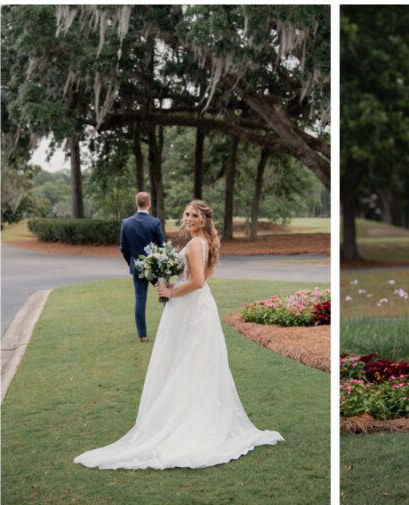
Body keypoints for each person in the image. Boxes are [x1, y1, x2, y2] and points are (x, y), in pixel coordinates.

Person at [75, 200, 282, 469]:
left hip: (191, 308)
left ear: (205, 220)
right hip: (192, 307)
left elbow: (198, 281)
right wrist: (171, 283)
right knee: (190, 361)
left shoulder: (196, 244)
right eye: (187, 214)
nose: (189, 218)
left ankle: (186, 420)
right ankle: (188, 413)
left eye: (195, 215)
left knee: (190, 361)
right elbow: (192, 279)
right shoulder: (200, 241)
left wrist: (172, 291)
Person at [119, 191, 166, 343]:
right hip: (155, 267)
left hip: (137, 268)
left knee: (140, 300)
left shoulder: (126, 223)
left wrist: (132, 262)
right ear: (149, 203)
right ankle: (170, 330)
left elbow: (123, 248)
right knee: (166, 296)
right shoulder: (155, 222)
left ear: (136, 203)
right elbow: (162, 247)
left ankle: (142, 335)